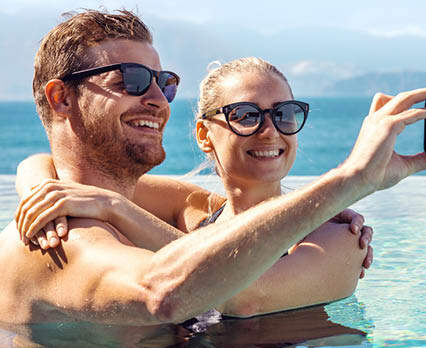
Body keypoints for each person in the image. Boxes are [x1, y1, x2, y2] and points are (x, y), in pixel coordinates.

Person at [0, 9, 426, 331]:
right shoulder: (58, 238)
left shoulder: (140, 205)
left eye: (163, 83)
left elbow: (57, 172)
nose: (156, 99)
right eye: (131, 81)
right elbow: (168, 293)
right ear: (61, 98)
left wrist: (317, 209)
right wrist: (350, 181)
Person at [15, 56, 378, 316]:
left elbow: (243, 297)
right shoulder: (192, 210)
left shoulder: (339, 238)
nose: (270, 131)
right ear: (205, 134)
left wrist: (115, 207)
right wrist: (40, 193)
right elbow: (60, 174)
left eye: (284, 114)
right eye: (246, 116)